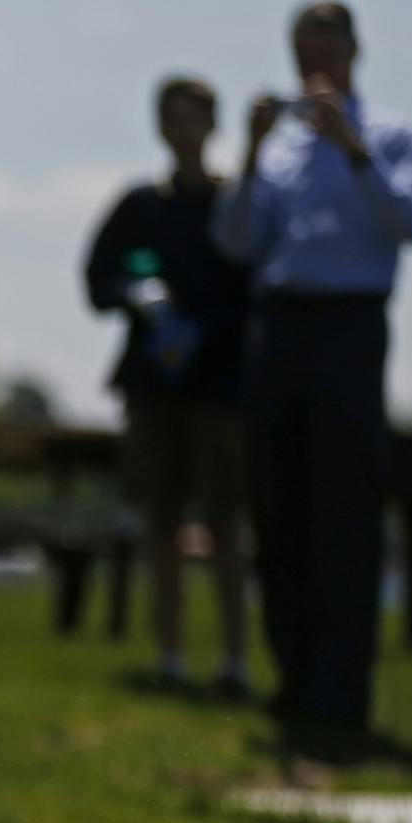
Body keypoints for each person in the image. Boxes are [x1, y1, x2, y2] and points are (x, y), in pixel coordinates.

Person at [213, 2, 412, 733]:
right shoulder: (278, 150)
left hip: (349, 329)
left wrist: (354, 151)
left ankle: (342, 693)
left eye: (325, 54)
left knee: (345, 508)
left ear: (354, 53)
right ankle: (294, 678)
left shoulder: (391, 135)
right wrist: (249, 153)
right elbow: (237, 241)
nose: (314, 70)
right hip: (279, 328)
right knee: (278, 505)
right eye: (303, 56)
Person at [84, 76, 255, 696]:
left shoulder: (232, 207)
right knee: (160, 521)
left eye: (193, 117)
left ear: (212, 126)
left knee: (225, 524)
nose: (182, 129)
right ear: (159, 127)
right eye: (172, 118)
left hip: (219, 388)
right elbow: (98, 280)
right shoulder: (140, 206)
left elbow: (252, 286)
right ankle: (171, 656)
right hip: (154, 386)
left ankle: (234, 662)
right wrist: (135, 296)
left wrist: (204, 329)